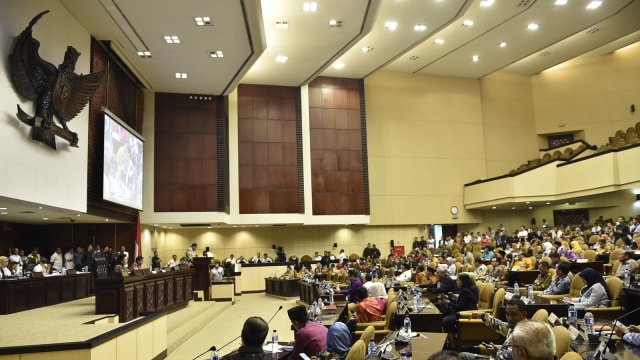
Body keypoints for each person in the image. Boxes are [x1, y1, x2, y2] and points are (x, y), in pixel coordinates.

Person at [460, 299, 529, 360]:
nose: (510, 318)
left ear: (524, 314)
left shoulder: (526, 333)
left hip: (497, 357)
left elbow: (513, 356)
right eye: (507, 314)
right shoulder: (515, 326)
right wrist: (482, 315)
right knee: (462, 354)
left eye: (514, 315)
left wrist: (498, 351)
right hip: (495, 356)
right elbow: (499, 326)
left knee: (462, 356)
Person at [441, 273, 478, 348]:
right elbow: (461, 303)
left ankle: (453, 345)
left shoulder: (465, 291)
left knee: (446, 321)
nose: (456, 282)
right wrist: (450, 299)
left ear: (463, 281)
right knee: (446, 318)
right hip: (463, 312)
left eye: (458, 280)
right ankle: (452, 342)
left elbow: (460, 307)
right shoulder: (466, 290)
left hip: (466, 314)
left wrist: (449, 303)